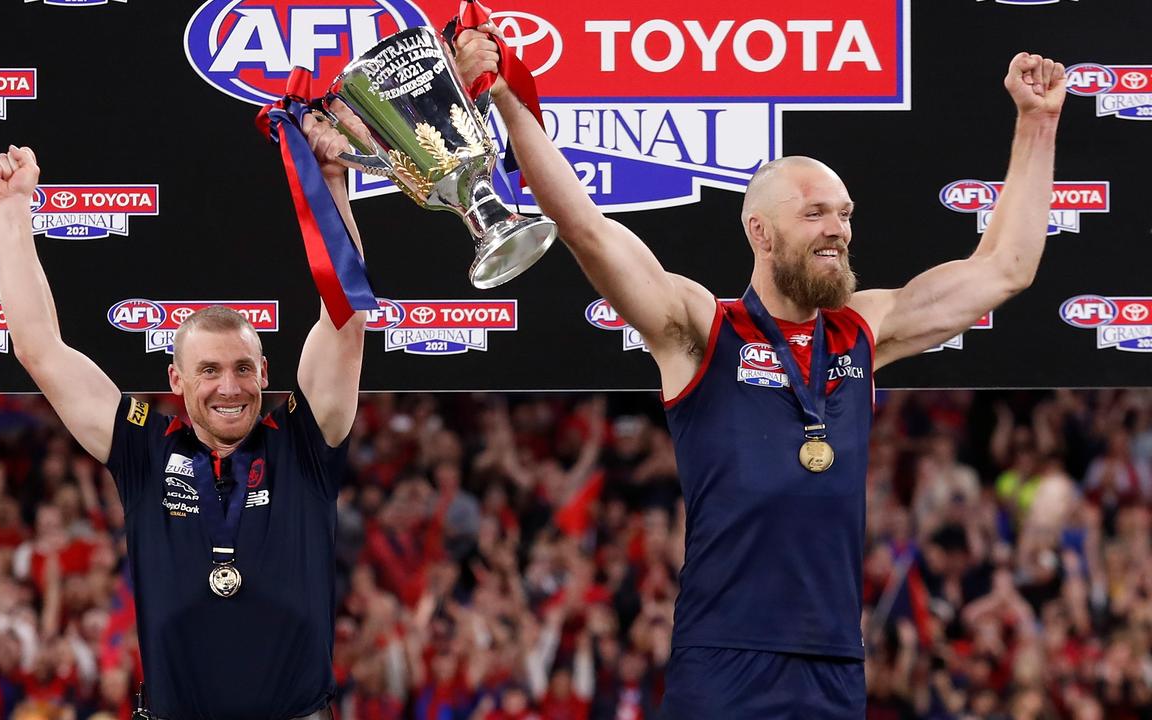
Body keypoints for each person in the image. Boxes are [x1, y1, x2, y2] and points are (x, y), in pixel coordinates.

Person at [456, 30, 1067, 718]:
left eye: (844, 214)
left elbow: (1004, 268)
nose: (838, 229)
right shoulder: (700, 330)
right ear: (761, 233)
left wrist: (1037, 121)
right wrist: (508, 98)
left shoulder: (863, 330)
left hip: (835, 665)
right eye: (815, 214)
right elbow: (589, 230)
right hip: (724, 661)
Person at [0, 106, 371, 719]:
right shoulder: (144, 448)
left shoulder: (304, 441)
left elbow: (345, 319)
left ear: (265, 374)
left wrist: (331, 188)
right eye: (209, 371)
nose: (229, 387)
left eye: (244, 368)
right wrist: (12, 213)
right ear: (176, 381)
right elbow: (40, 350)